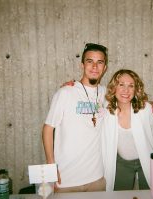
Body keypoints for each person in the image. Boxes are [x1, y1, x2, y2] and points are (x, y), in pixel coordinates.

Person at [42, 43, 108, 192]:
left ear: (105, 68)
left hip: (96, 178)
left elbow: (127, 97)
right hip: (66, 179)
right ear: (82, 65)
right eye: (90, 61)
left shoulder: (106, 93)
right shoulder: (66, 92)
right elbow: (47, 129)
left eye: (100, 62)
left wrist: (148, 104)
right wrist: (51, 165)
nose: (94, 67)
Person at [101, 69, 153, 191]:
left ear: (136, 89)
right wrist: (72, 85)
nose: (126, 90)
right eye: (121, 85)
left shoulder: (145, 108)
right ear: (113, 87)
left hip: (149, 159)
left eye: (131, 86)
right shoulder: (106, 110)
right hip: (121, 163)